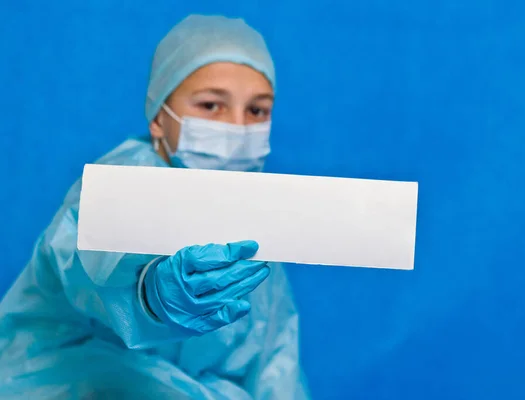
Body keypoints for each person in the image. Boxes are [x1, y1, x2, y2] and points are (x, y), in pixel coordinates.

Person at [0, 14, 310, 399]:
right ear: (159, 118)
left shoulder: (251, 221)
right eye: (212, 105)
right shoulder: (123, 183)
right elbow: (92, 264)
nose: (236, 128)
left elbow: (274, 361)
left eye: (257, 111)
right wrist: (148, 293)